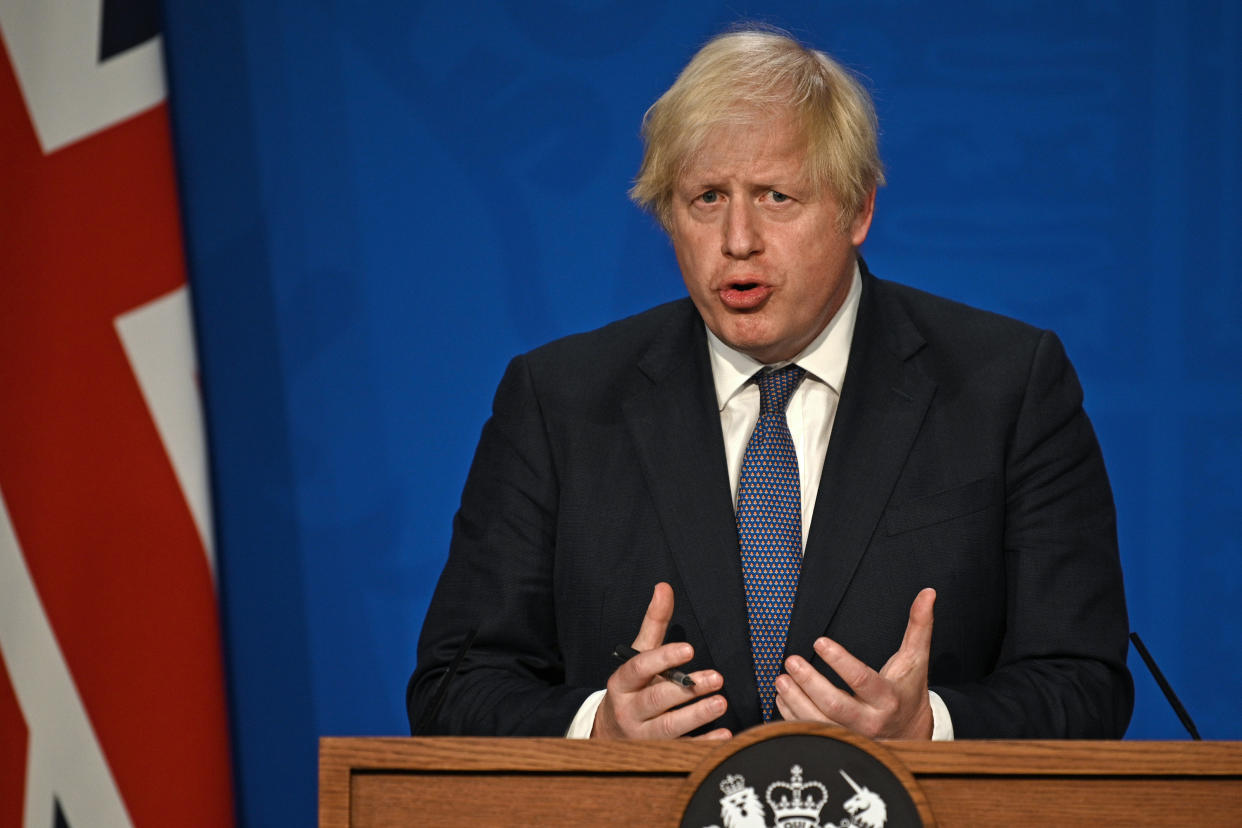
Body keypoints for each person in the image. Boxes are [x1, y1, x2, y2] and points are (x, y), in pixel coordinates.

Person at [406, 28, 1133, 741]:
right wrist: (597, 729)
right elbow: (454, 687)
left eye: (777, 196)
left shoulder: (1006, 386)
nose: (739, 239)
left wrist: (931, 727)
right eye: (707, 198)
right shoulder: (558, 401)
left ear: (857, 209)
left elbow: (1083, 681)